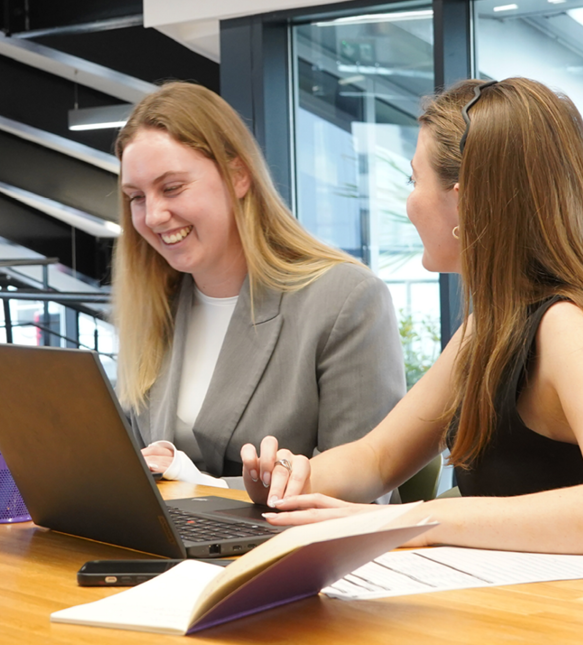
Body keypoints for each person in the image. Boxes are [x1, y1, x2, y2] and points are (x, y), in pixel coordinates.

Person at [242, 77, 583, 556]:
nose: (409, 202)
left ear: (465, 199)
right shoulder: (493, 327)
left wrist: (417, 519)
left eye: (415, 181)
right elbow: (379, 457)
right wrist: (290, 479)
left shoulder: (569, 329)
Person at [112, 82, 406, 489]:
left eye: (172, 188)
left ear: (238, 177)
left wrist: (193, 482)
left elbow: (361, 492)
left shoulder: (345, 301)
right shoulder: (155, 305)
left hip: (286, 550)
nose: (155, 215)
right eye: (136, 197)